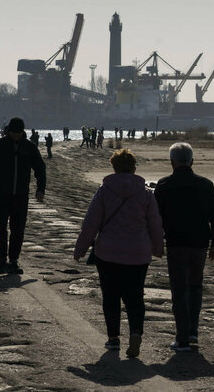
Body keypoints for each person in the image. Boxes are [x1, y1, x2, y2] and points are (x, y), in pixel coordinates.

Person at [73, 149, 164, 358]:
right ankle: (135, 332)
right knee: (135, 296)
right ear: (134, 168)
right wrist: (158, 249)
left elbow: (91, 223)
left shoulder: (104, 191)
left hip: (108, 253)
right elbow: (155, 225)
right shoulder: (146, 194)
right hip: (138, 254)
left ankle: (113, 339)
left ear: (113, 167)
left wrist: (80, 249)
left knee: (111, 296)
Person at [154, 142, 214, 352]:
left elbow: (155, 219)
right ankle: (193, 332)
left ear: (172, 162)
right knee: (195, 286)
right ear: (192, 161)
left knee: (179, 289)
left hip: (175, 243)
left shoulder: (164, 185)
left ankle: (182, 337)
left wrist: (156, 242)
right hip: (200, 243)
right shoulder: (205, 184)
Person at [0, 117, 46, 275]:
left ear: (22, 131)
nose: (16, 136)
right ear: (8, 131)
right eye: (13, 133)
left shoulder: (29, 147)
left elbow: (40, 168)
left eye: (18, 133)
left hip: (21, 195)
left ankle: (14, 260)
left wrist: (41, 189)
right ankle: (2, 260)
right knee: (0, 228)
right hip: (1, 194)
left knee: (18, 229)